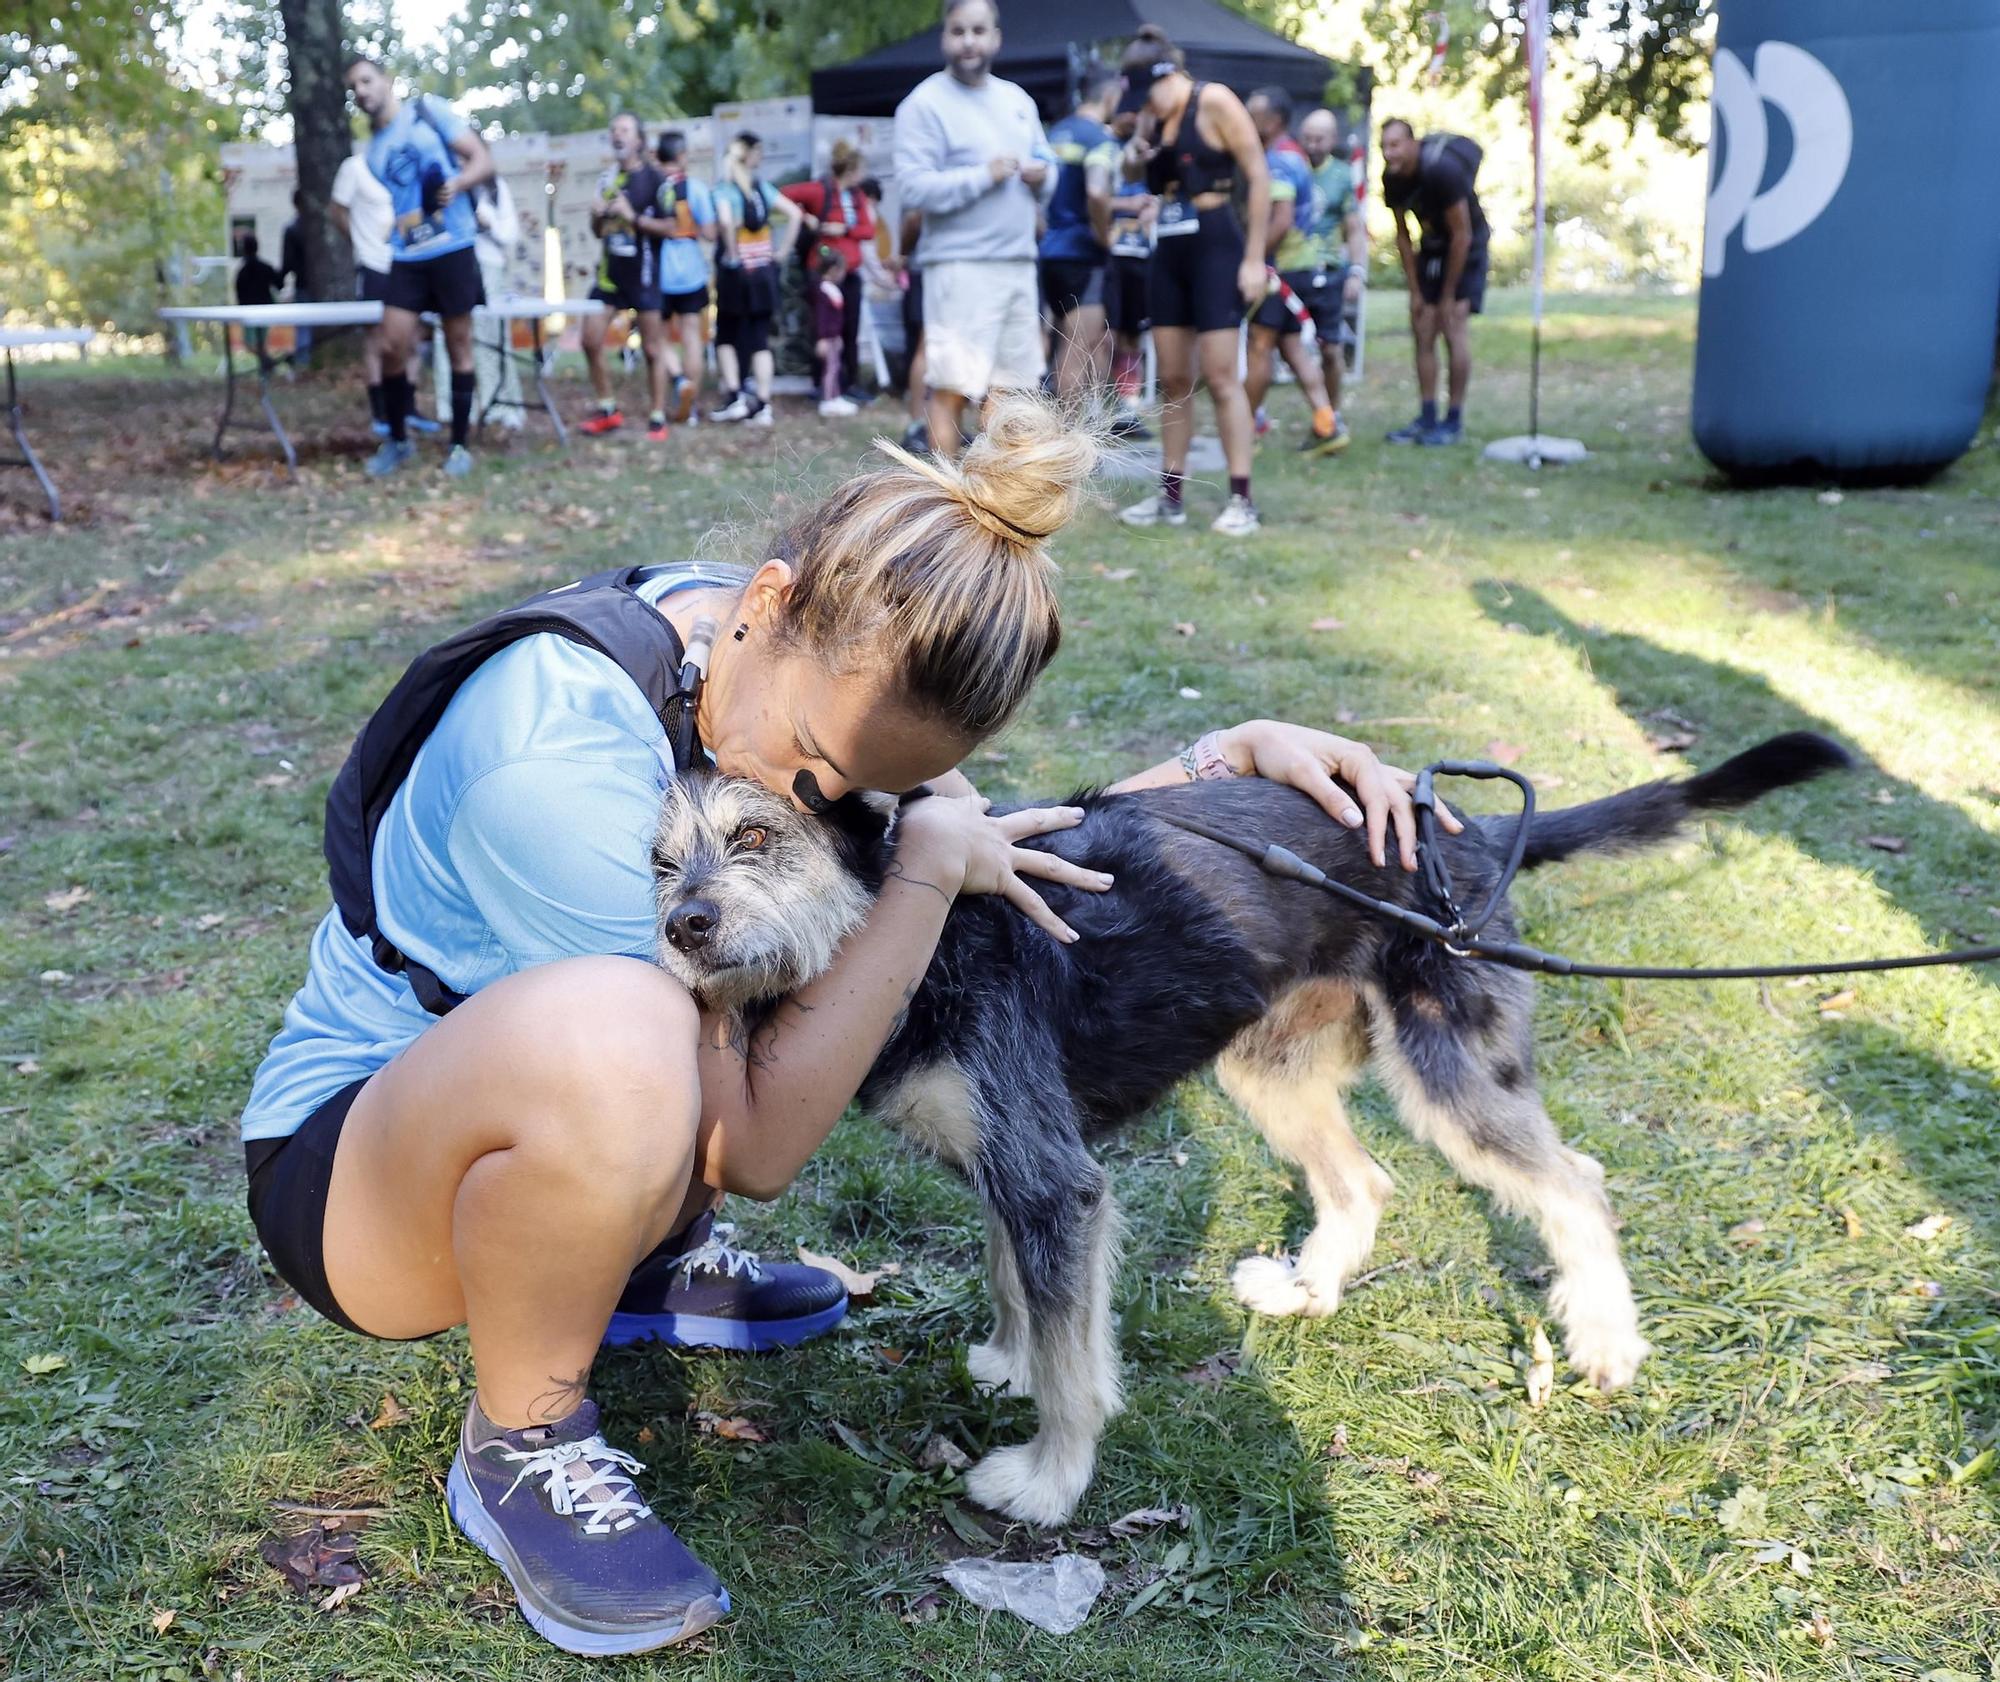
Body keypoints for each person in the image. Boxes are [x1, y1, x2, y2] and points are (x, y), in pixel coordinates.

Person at [237, 388, 1449, 1655]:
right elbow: (745, 1148)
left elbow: (995, 846)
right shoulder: (555, 766)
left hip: (524, 1122)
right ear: (763, 602)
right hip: (358, 1177)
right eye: (820, 773)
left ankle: (631, 1267)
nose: (826, 808)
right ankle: (522, 1436)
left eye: (867, 789)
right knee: (626, 1029)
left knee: (684, 999)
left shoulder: (787, 651)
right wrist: (921, 868)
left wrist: (1224, 760)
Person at [1114, 25, 1269, 536]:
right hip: (1171, 249)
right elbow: (1136, 176)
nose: (1144, 105)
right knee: (1173, 380)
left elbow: (1258, 174)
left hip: (1218, 244)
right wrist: (1137, 148)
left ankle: (1241, 499)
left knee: (1223, 376)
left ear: (1168, 75)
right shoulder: (1151, 120)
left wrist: (1253, 258)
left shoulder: (1214, 101)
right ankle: (1170, 496)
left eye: (1147, 93)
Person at [894, 0, 1057, 461]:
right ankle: (948, 505)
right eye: (959, 31)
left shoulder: (1017, 100)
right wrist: (982, 175)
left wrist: (1045, 177)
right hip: (959, 267)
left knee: (1011, 393)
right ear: (944, 37)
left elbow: (1049, 167)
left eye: (978, 31)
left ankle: (995, 506)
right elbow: (913, 188)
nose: (969, 41)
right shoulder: (924, 104)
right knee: (950, 390)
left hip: (1018, 264)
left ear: (996, 37)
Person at [344, 57, 495, 480]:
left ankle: (460, 446)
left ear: (387, 80)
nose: (361, 91)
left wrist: (456, 185)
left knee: (458, 346)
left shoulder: (429, 113)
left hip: (454, 248)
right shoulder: (372, 153)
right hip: (408, 256)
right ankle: (398, 441)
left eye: (367, 80)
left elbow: (482, 160)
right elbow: (401, 204)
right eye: (354, 86)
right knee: (391, 345)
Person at [1242, 88, 1345, 457]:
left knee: (1259, 346)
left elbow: (1282, 219)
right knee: (1292, 350)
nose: (1245, 121)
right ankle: (1327, 424)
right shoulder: (1286, 156)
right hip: (1294, 267)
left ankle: (1241, 431)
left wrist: (1251, 257)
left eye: (1252, 114)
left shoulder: (1279, 160)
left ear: (1273, 122)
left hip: (1283, 271)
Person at [1380, 117, 1489, 446]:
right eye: (1383, 146)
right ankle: (1427, 417)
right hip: (1432, 248)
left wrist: (1447, 295)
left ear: (1413, 143)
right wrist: (1415, 291)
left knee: (1453, 324)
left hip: (1465, 249)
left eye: (1395, 145)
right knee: (1423, 326)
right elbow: (1402, 236)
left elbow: (1462, 235)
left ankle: (1452, 421)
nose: (1389, 153)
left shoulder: (1442, 171)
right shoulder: (1392, 178)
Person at [329, 148, 442, 441]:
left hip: (408, 261)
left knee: (416, 336)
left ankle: (408, 407)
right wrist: (359, 242)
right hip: (373, 264)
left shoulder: (406, 165)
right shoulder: (354, 167)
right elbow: (337, 210)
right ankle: (380, 411)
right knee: (378, 339)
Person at [580, 114, 672, 442]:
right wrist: (596, 215)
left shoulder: (657, 180)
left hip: (644, 274)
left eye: (624, 130)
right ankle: (608, 409)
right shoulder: (607, 179)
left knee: (651, 349)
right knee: (589, 340)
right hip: (609, 275)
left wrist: (633, 218)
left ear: (639, 140)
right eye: (613, 131)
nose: (616, 135)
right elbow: (596, 232)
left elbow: (672, 227)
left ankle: (658, 417)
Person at [1038, 68, 1120, 414]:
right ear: (1110, 95)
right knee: (1076, 351)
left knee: (1052, 348)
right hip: (1082, 255)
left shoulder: (1054, 133)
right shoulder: (1100, 139)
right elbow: (1097, 193)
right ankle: (1068, 448)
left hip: (1048, 253)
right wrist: (1105, 237)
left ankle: (1052, 439)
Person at [710, 131, 796, 428]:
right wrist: (780, 253)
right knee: (760, 340)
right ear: (750, 154)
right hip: (763, 275)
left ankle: (734, 396)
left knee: (725, 336)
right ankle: (762, 404)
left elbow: (724, 221)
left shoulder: (725, 189)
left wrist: (732, 254)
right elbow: (795, 214)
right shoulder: (762, 189)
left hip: (736, 276)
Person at [783, 139, 875, 406]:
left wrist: (845, 230)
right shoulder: (819, 191)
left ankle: (850, 383)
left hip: (851, 274)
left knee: (850, 331)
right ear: (850, 170)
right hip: (823, 274)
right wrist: (808, 219)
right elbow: (783, 195)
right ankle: (820, 384)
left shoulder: (857, 196)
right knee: (823, 330)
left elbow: (868, 230)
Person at [434, 175, 525, 435]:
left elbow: (508, 233)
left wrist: (487, 222)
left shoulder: (494, 187)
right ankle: (453, 409)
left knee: (491, 338)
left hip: (488, 265)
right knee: (450, 339)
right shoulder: (444, 186)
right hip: (452, 265)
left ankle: (500, 406)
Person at [1299, 107, 1368, 438]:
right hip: (1290, 269)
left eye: (1319, 138)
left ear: (1333, 140)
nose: (1312, 145)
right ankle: (1256, 415)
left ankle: (1331, 416)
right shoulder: (1289, 167)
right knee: (1271, 343)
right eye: (1308, 138)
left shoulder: (1341, 175)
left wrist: (1356, 271)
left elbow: (1353, 228)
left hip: (1329, 270)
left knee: (1331, 349)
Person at [650, 129, 718, 428]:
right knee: (691, 336)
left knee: (658, 338)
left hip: (656, 273)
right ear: (681, 156)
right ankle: (690, 408)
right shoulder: (696, 188)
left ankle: (677, 379)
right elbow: (711, 232)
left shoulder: (651, 186)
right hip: (690, 271)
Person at [1102, 108, 1156, 440]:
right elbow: (1094, 199)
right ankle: (1097, 406)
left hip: (1142, 255)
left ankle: (1127, 407)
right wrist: (1127, 206)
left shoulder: (1154, 157)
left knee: (1133, 333)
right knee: (1104, 334)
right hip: (1110, 254)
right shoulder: (1104, 149)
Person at [811, 245, 856, 417]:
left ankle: (835, 396)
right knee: (829, 369)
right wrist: (822, 338)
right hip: (827, 338)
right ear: (834, 270)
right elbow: (821, 318)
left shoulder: (832, 289)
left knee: (835, 367)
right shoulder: (823, 291)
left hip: (835, 337)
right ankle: (828, 399)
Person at [233, 232, 283, 368]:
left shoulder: (242, 272)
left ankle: (265, 361)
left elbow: (239, 294)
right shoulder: (264, 268)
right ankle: (266, 360)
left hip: (252, 310)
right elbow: (279, 284)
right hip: (264, 308)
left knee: (252, 342)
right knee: (257, 341)